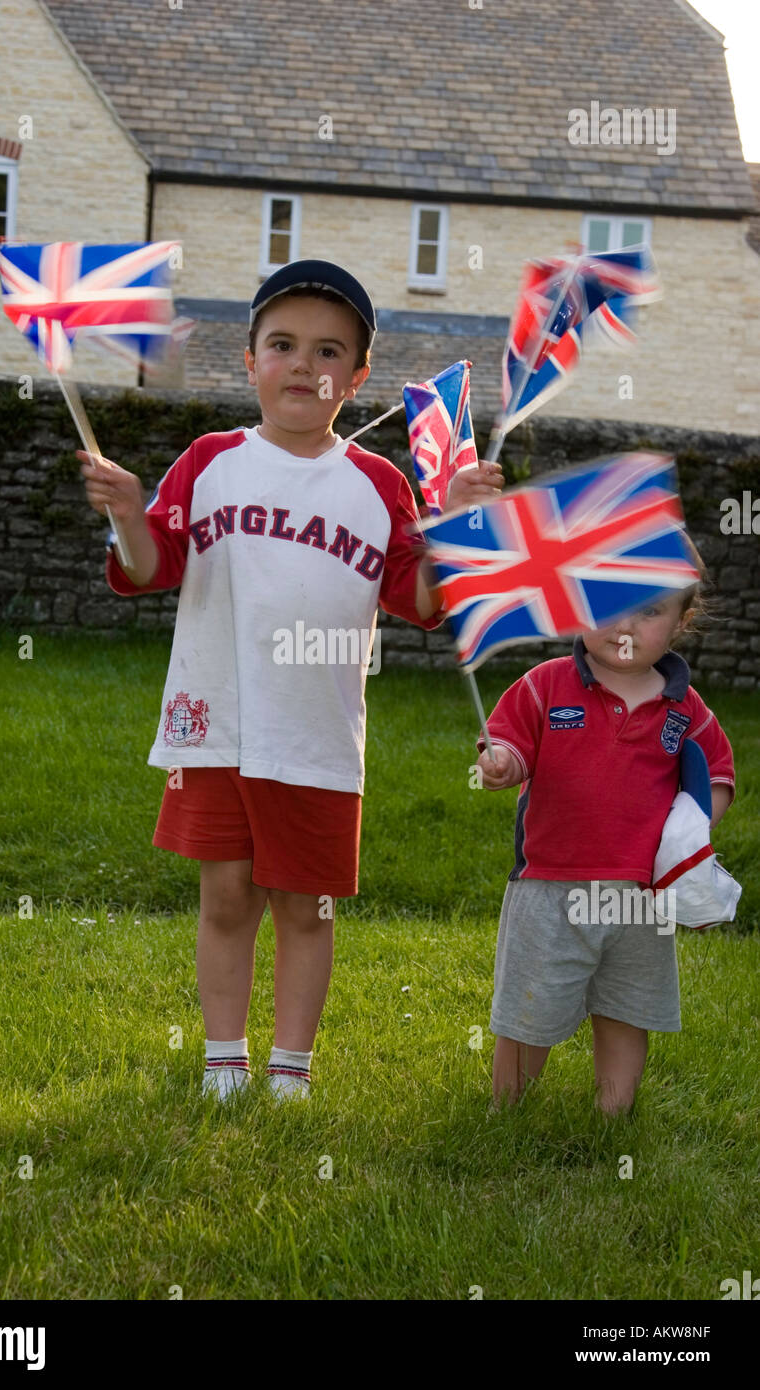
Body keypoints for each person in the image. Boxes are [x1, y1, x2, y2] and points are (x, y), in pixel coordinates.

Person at [79, 259, 502, 1102]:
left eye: (328, 351)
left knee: (305, 906)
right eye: (282, 345)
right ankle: (225, 1059)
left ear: (357, 375)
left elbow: (420, 602)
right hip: (219, 723)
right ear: (249, 360)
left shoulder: (379, 486)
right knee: (228, 896)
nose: (304, 366)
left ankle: (291, 1071)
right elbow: (147, 568)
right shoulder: (210, 463)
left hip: (314, 731)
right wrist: (130, 513)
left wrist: (456, 525)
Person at [476, 580, 735, 1115]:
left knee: (627, 1007)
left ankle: (611, 1114)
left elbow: (718, 775)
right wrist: (501, 762)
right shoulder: (545, 685)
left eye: (649, 611)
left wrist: (690, 829)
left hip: (642, 896)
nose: (623, 626)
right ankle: (506, 1111)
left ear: (682, 621)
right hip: (550, 887)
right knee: (532, 1008)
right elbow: (512, 743)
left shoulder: (685, 707)